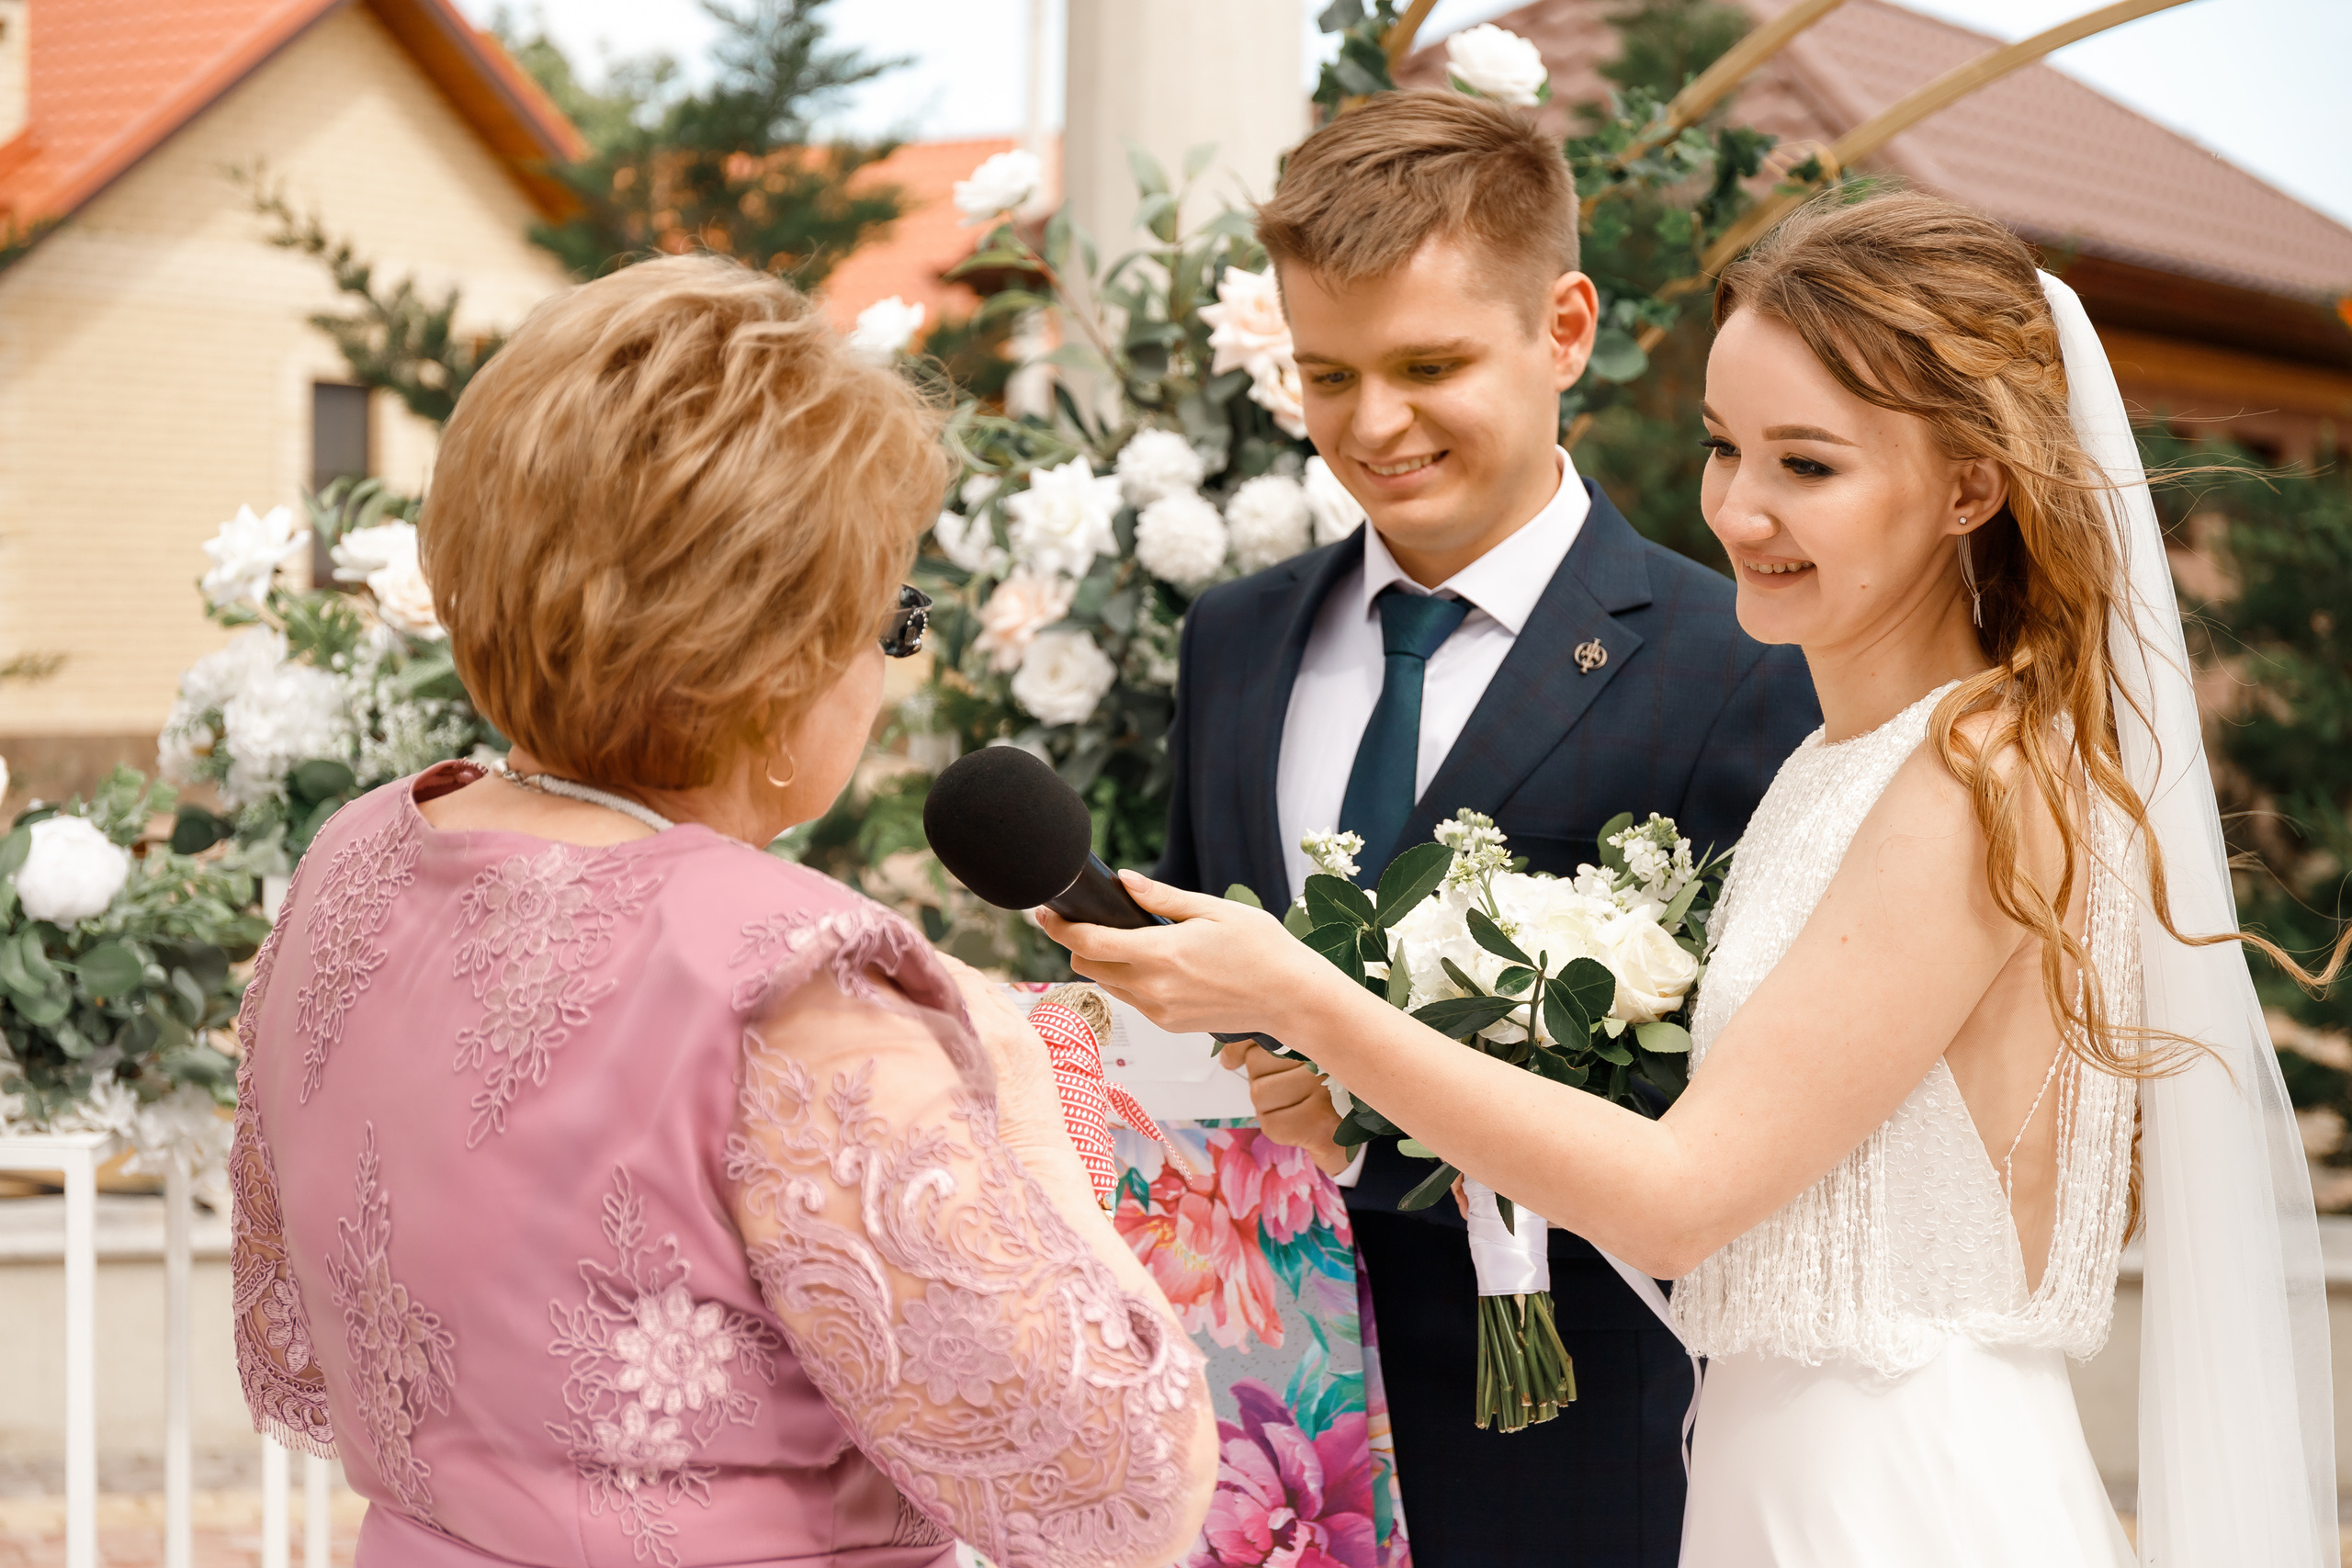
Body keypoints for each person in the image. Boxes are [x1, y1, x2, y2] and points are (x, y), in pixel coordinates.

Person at [1052, 189, 2344, 1566]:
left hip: (1900, 1498)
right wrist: (1370, 1105)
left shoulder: (1974, 778)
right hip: (1767, 1473)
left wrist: (1309, 999)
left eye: (1809, 465)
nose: (1739, 508)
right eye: (1727, 446)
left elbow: (1682, 1192)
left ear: (1971, 489)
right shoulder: (1843, 764)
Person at [229, 254, 1216, 1568]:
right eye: (891, 622)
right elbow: (1123, 1488)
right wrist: (1032, 1097)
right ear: (779, 662)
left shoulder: (358, 858)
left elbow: (316, 1322)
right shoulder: (795, 989)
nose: (886, 674)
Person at [1152, 91, 1817, 1567]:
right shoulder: (1233, 640)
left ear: (1564, 329)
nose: (1371, 424)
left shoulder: (1741, 664)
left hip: (1578, 1455)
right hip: (1256, 1428)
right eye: (1328, 374)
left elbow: (1759, 1118)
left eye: (1429, 366)